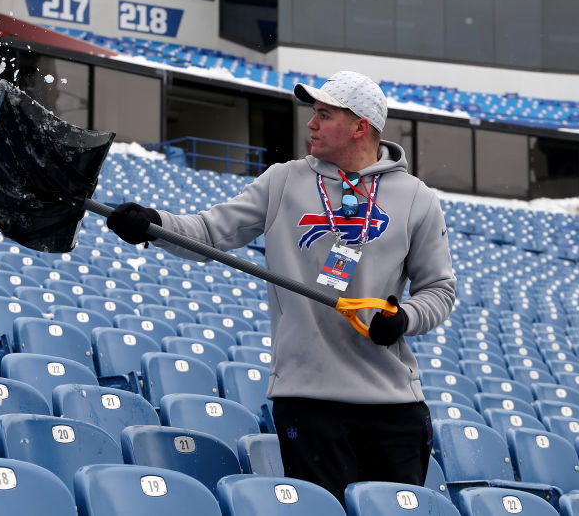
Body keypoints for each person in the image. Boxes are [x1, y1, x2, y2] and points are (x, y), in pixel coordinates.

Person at [106, 70, 456, 503]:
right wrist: (154, 226)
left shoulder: (417, 198)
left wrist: (404, 318)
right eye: (313, 114)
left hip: (394, 406)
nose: (310, 124)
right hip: (307, 401)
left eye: (324, 115)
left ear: (360, 126)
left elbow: (439, 290)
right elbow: (210, 232)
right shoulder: (283, 180)